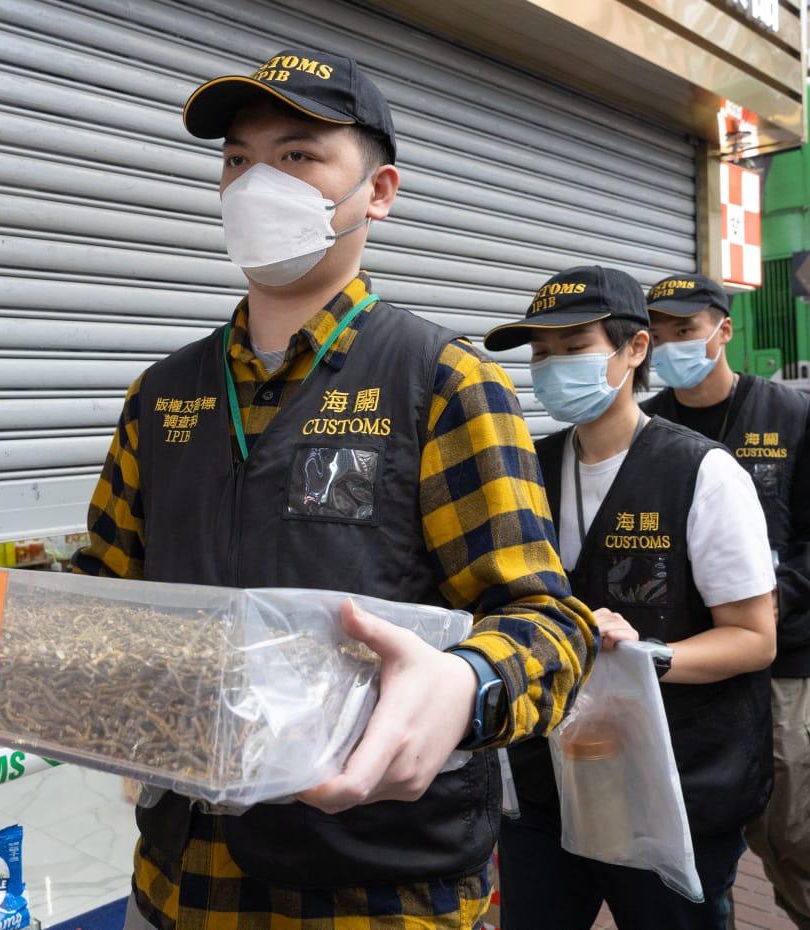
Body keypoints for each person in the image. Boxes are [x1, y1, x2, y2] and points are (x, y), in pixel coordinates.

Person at [72, 49, 596, 930]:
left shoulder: (440, 382)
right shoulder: (162, 395)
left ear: (377, 192)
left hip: (378, 889)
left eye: (297, 156)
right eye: (237, 160)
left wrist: (467, 683)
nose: (256, 184)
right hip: (177, 880)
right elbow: (102, 591)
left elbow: (547, 624)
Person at [485, 266, 776, 930]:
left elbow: (754, 638)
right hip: (546, 782)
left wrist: (647, 654)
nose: (553, 367)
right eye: (541, 353)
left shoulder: (702, 472)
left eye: (574, 347)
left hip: (671, 785)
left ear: (635, 348)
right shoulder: (526, 469)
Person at [642, 274, 810, 930]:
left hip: (779, 662)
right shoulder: (646, 424)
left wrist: (777, 598)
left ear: (723, 330)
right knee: (691, 837)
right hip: (685, 663)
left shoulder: (792, 416)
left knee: (795, 832)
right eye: (657, 334)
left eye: (685, 330)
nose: (670, 345)